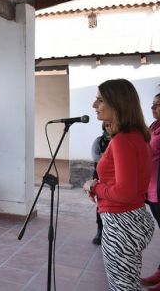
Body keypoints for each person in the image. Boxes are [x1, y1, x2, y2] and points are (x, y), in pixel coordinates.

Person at [83, 79, 154, 290]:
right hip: (133, 218)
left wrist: (94, 187)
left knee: (122, 287)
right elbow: (126, 182)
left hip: (122, 223)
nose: (94, 105)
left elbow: (124, 192)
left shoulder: (122, 140)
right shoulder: (136, 135)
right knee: (128, 284)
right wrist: (101, 185)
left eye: (100, 99)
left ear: (117, 103)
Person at [141, 93, 160, 289]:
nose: (152, 108)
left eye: (158, 105)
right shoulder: (154, 127)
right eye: (152, 103)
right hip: (153, 191)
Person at [89, 122, 110, 245]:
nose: (108, 128)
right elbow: (95, 157)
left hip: (113, 177)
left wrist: (104, 157)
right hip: (99, 176)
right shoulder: (99, 141)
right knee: (100, 204)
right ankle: (100, 230)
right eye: (106, 126)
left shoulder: (118, 140)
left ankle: (110, 232)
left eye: (110, 125)